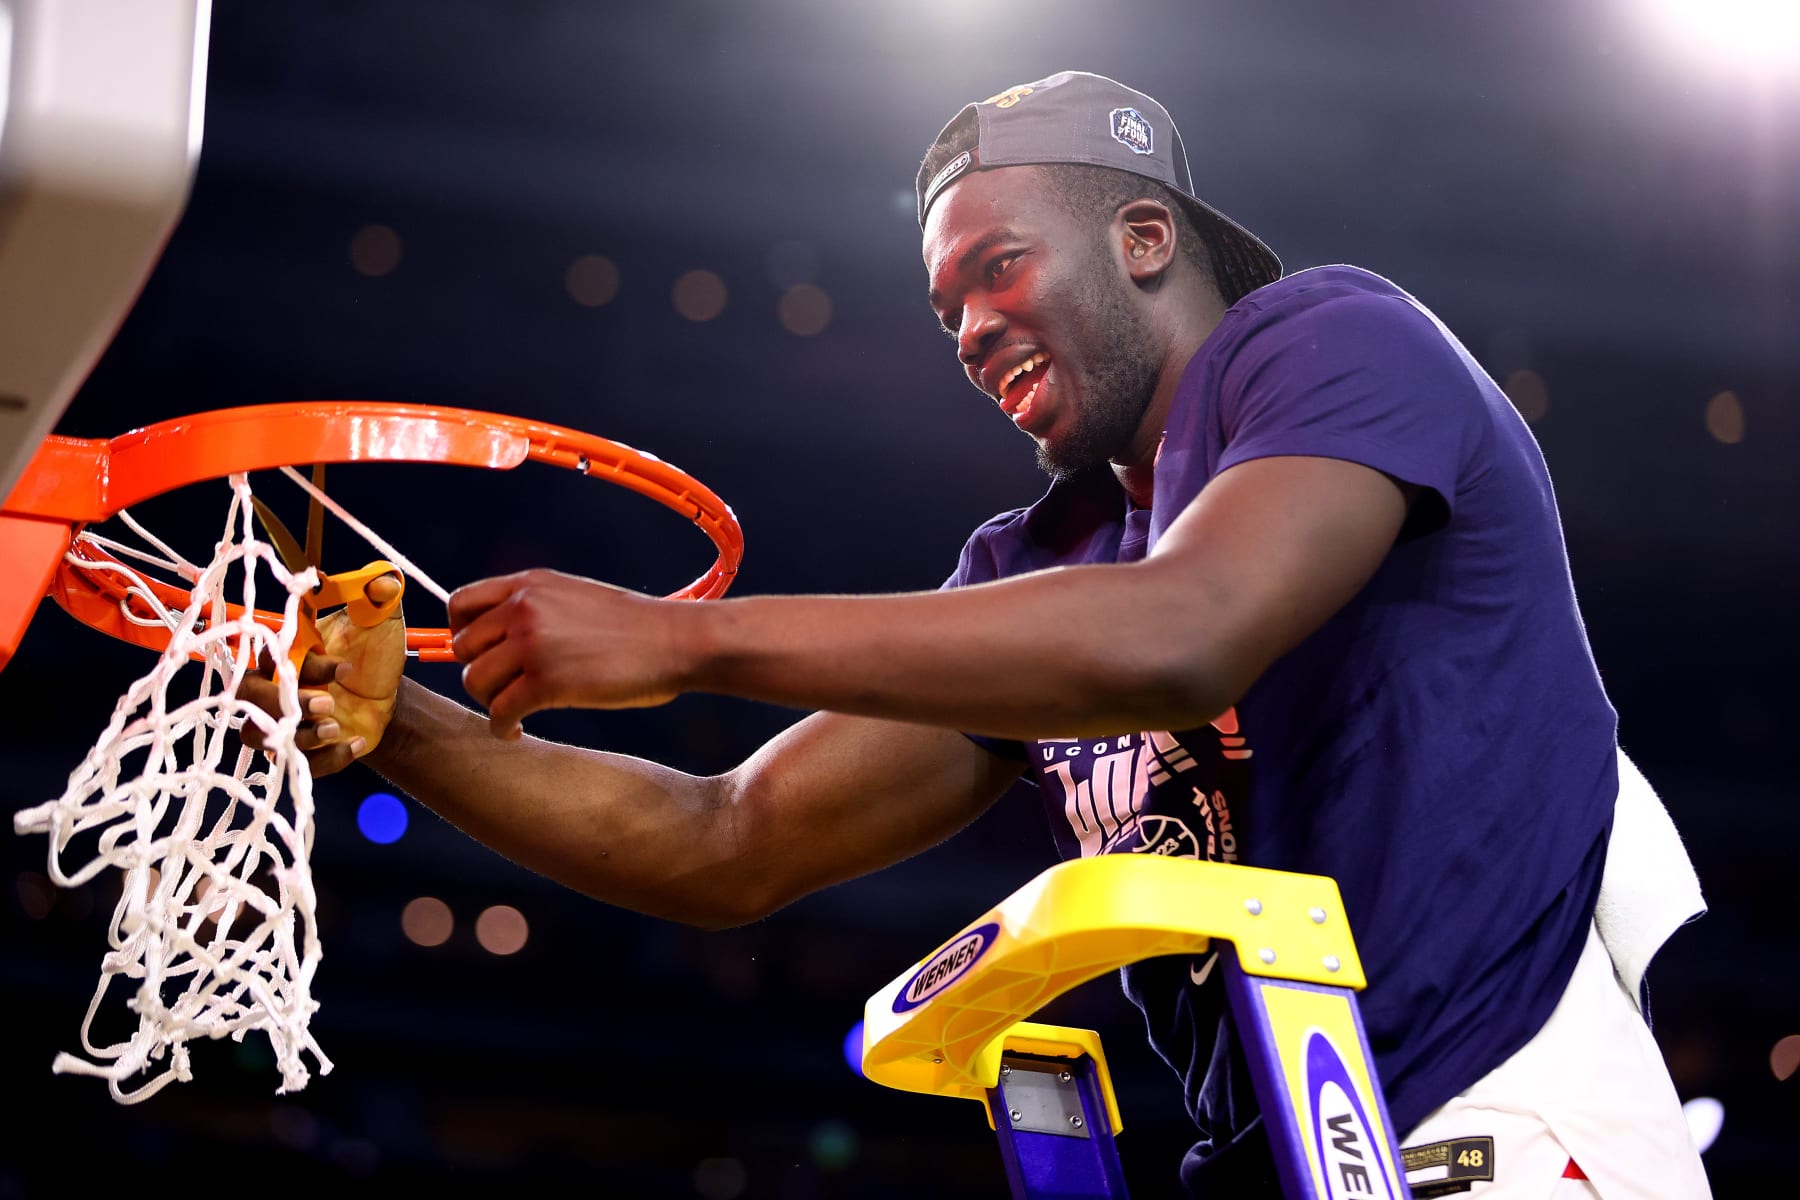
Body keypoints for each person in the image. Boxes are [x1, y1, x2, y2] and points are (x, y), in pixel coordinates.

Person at [257, 71, 1709, 1198]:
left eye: (1001, 267)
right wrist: (398, 725)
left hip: (1504, 1122)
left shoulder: (1329, 346)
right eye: (947, 305)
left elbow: (1188, 632)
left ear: (1146, 239)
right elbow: (725, 838)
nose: (967, 327)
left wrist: (686, 644)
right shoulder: (1043, 563)